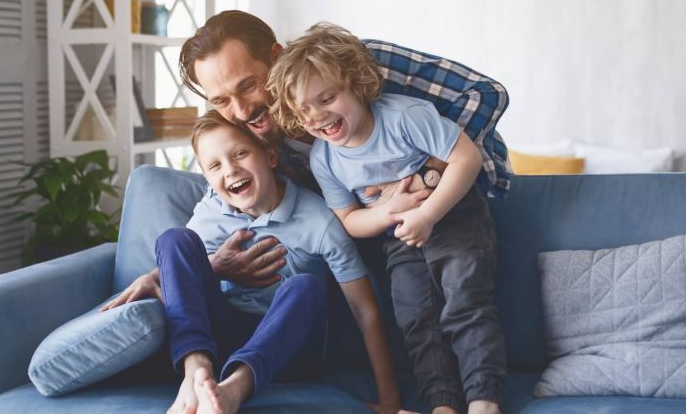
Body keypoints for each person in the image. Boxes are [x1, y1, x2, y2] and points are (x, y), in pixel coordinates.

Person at [266, 23, 507, 414]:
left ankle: (484, 400)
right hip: (398, 235)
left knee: (465, 303)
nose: (318, 117)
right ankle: (441, 404)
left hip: (454, 216)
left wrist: (428, 213)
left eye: (327, 97)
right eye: (304, 110)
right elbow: (348, 219)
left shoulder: (404, 116)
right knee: (415, 319)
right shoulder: (324, 159)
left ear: (358, 83)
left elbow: (467, 158)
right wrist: (386, 213)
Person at [131, 110, 403, 414]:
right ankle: (195, 371)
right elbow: (184, 265)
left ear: (271, 156)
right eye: (216, 165)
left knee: (305, 286)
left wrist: (390, 400)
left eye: (240, 154)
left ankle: (237, 387)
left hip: (288, 351)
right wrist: (153, 275)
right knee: (174, 239)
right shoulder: (211, 209)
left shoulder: (318, 221)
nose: (231, 170)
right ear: (207, 179)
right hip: (223, 338)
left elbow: (364, 310)